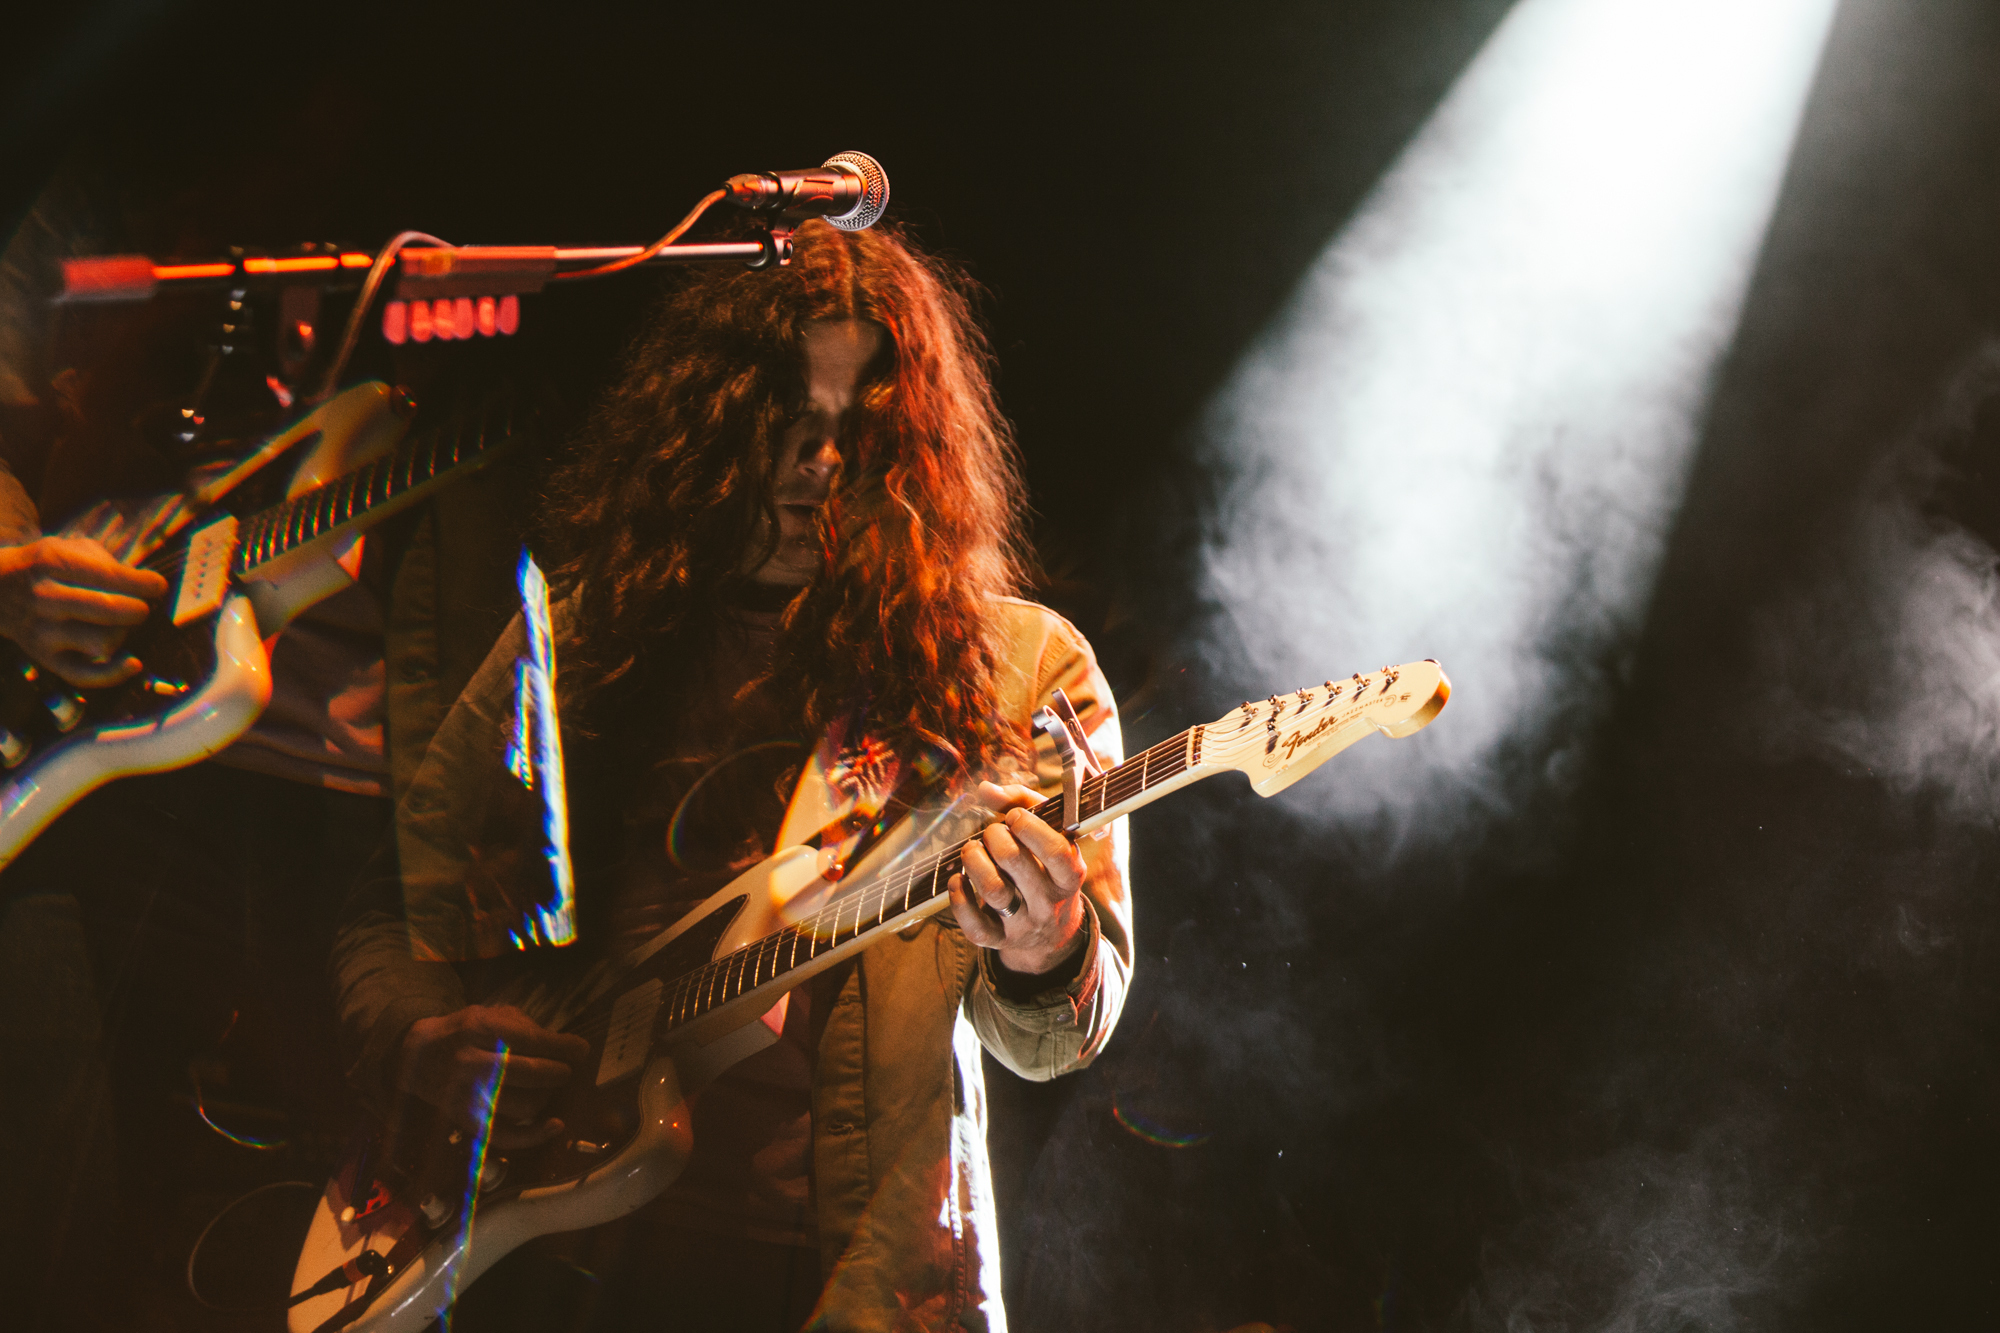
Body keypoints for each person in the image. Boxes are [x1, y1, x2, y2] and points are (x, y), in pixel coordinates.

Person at [330, 219, 1133, 1331]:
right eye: (787, 418)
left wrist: (1047, 944)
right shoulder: (578, 639)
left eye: (861, 426)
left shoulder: (1013, 669)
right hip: (537, 1253)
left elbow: (1060, 1036)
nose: (820, 462)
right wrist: (419, 1042)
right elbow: (392, 911)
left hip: (836, 1273)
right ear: (711, 426)